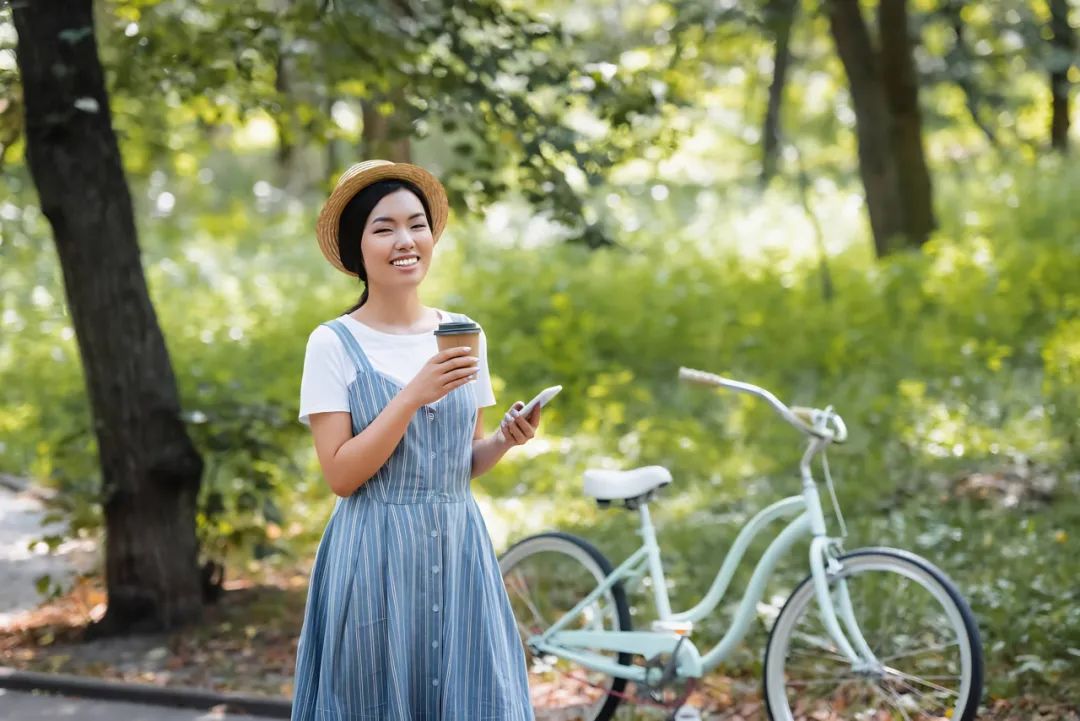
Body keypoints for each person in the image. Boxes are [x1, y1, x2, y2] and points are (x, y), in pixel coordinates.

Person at [292, 160, 538, 720]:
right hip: (374, 556)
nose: (405, 241)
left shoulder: (463, 331)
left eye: (416, 224)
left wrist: (504, 439)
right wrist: (409, 398)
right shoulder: (332, 344)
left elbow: (461, 462)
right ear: (358, 250)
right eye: (383, 228)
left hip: (458, 551)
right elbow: (341, 475)